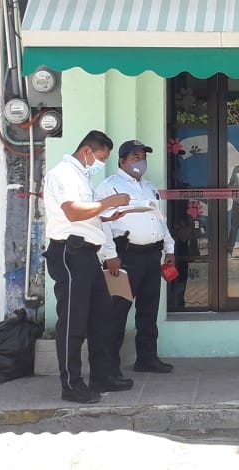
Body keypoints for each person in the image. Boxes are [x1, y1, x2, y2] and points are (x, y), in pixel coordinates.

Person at [42, 130, 133, 403]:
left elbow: (85, 214)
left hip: (88, 255)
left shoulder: (81, 175)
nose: (101, 162)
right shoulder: (64, 173)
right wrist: (109, 202)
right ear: (87, 151)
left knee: (102, 317)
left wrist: (107, 216)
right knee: (73, 321)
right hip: (70, 254)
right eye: (101, 157)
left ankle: (102, 376)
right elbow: (72, 211)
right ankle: (71, 384)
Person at [98, 139, 177, 375]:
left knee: (148, 311)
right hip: (124, 258)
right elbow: (102, 224)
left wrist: (169, 249)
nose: (140, 162)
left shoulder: (150, 188)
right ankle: (109, 368)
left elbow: (160, 221)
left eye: (143, 157)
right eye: (135, 157)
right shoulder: (108, 188)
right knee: (117, 313)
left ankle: (147, 359)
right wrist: (110, 255)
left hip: (152, 256)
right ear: (121, 161)